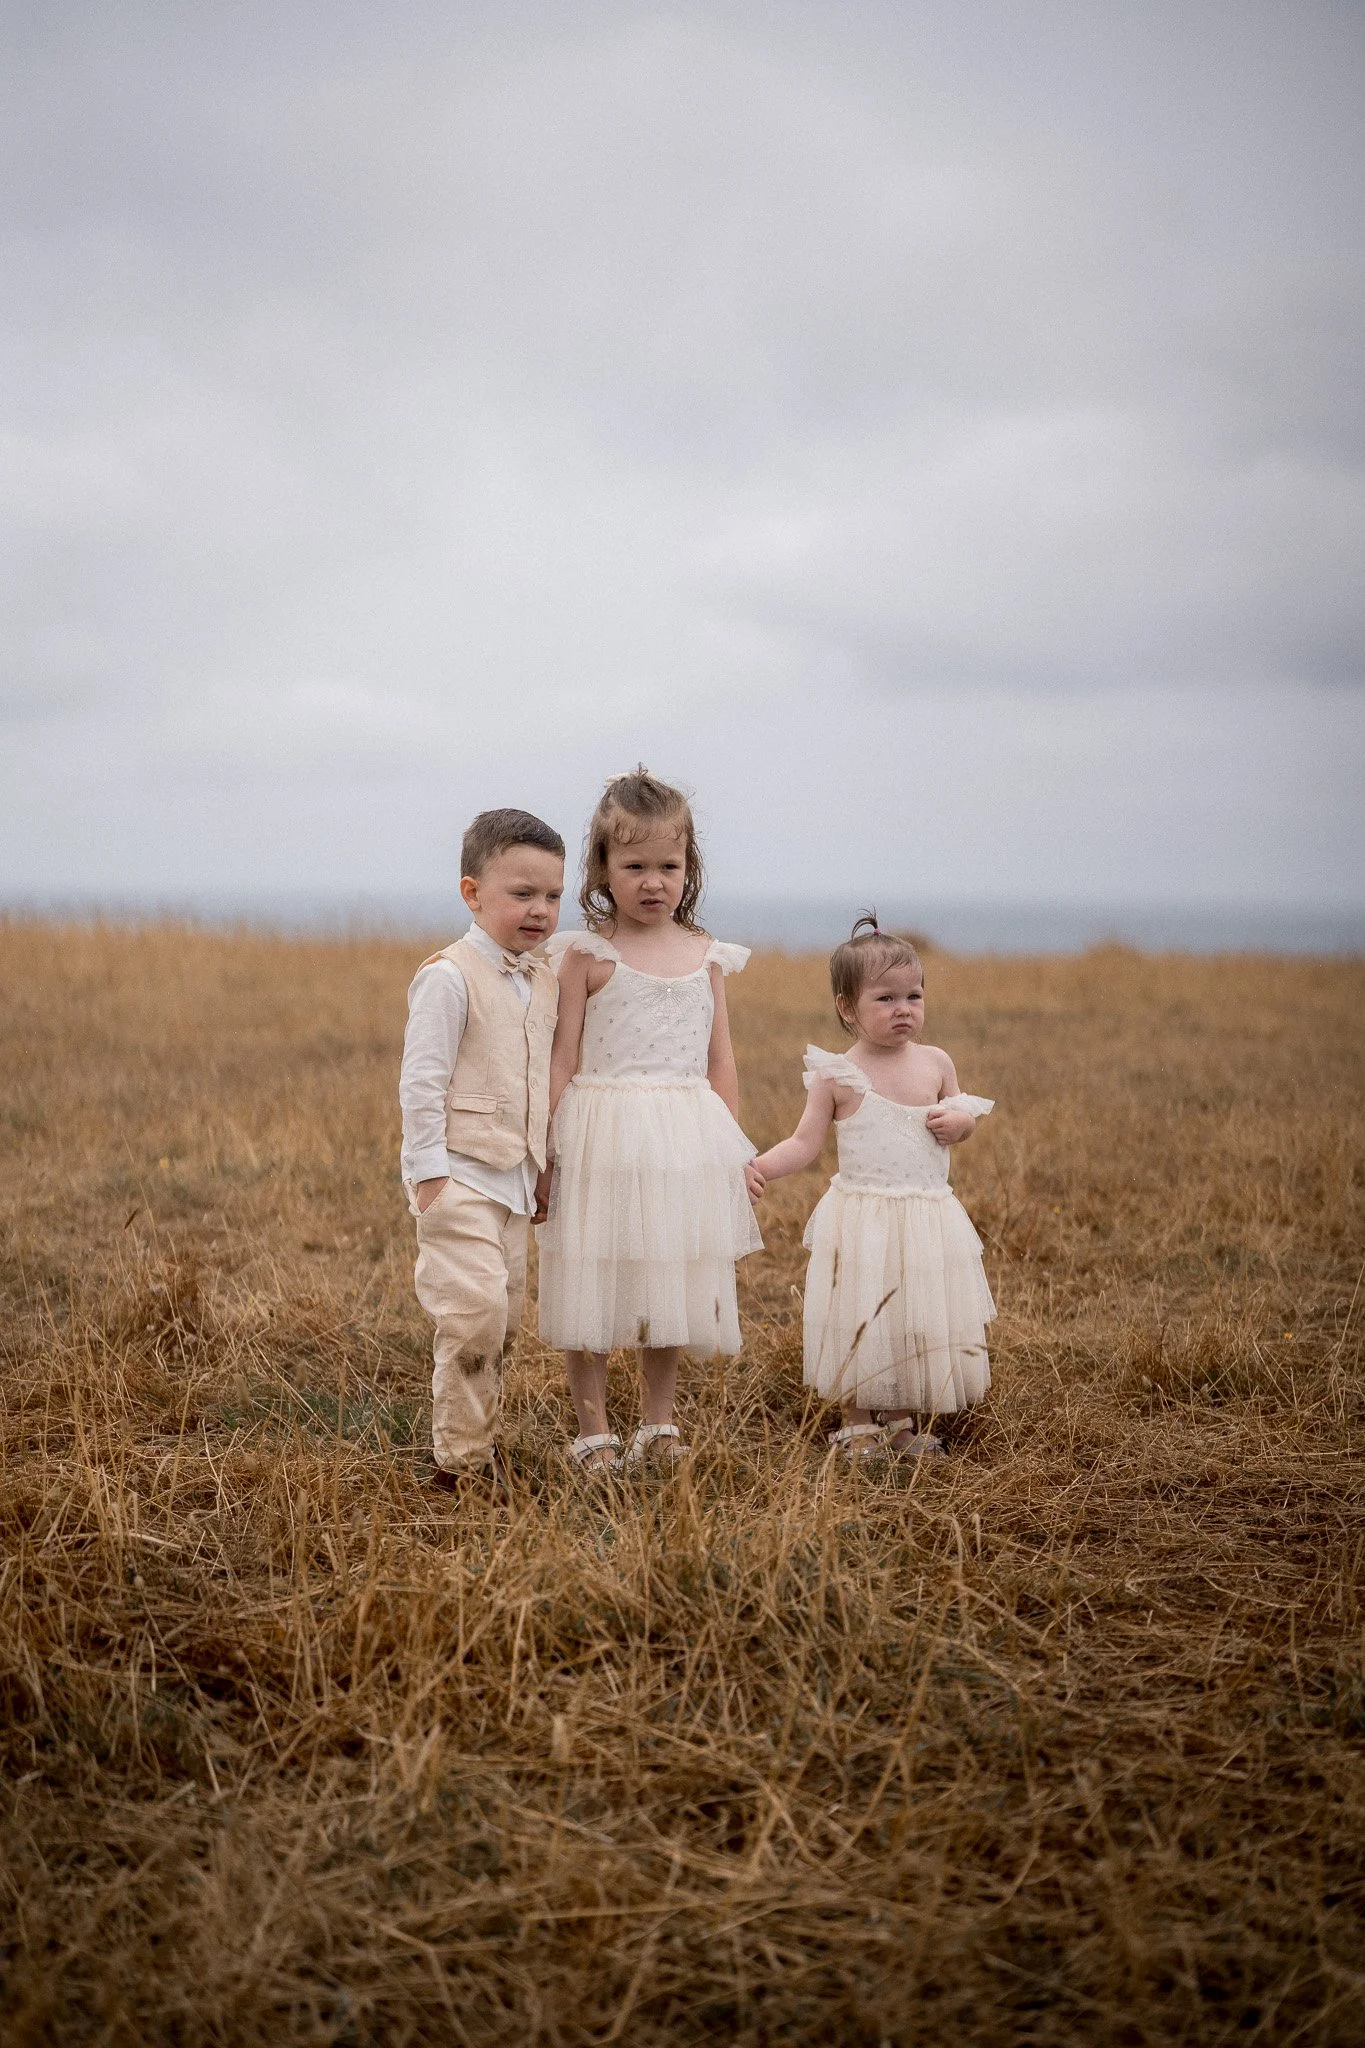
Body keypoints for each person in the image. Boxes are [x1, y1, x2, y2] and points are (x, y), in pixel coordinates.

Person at [537, 768, 762, 1476]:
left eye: (668, 865)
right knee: (593, 1275)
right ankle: (593, 1429)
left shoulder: (706, 956)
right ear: (603, 867)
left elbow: (720, 1057)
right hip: (600, 1130)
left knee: (668, 1274)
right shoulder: (586, 954)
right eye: (633, 866)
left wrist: (730, 1152)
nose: (652, 882)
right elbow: (562, 1056)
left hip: (682, 1132)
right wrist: (541, 1145)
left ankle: (658, 1424)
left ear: (688, 867)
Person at [750, 915, 995, 1463]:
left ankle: (902, 1419)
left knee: (912, 1314)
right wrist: (758, 1166)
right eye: (885, 998)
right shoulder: (838, 1075)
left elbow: (960, 1112)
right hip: (862, 1216)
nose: (903, 1008)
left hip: (926, 1217)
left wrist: (962, 1125)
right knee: (860, 1313)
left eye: (914, 995)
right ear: (847, 1008)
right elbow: (804, 1143)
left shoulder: (936, 1062)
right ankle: (858, 1421)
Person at [399, 808, 564, 1486]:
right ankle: (459, 1469)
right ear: (472, 893)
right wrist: (428, 1175)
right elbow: (421, 1079)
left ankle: (481, 1447)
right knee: (473, 1318)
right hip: (458, 1177)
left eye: (552, 895)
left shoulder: (542, 975)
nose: (540, 910)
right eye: (521, 894)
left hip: (513, 1182)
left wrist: (540, 1169)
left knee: (503, 1323)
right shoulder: (448, 975)